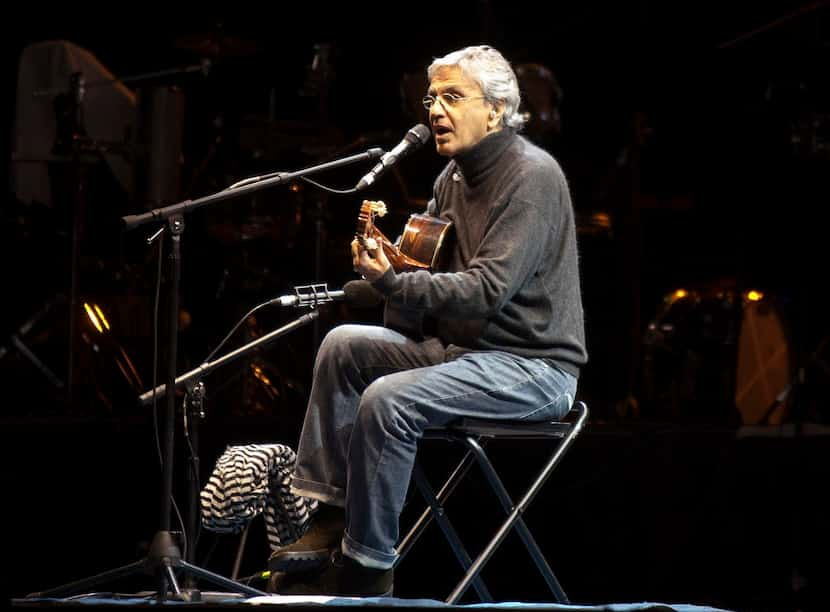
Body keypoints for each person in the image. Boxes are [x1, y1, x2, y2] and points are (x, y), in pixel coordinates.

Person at [268, 44, 587, 597]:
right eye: (430, 98)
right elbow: (419, 292)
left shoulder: (532, 177)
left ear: (495, 110)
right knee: (343, 344)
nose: (434, 110)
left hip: (532, 367)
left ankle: (368, 570)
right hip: (463, 353)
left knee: (390, 399)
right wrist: (387, 269)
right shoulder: (451, 180)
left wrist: (393, 281)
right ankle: (332, 515)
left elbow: (486, 292)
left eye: (451, 97)